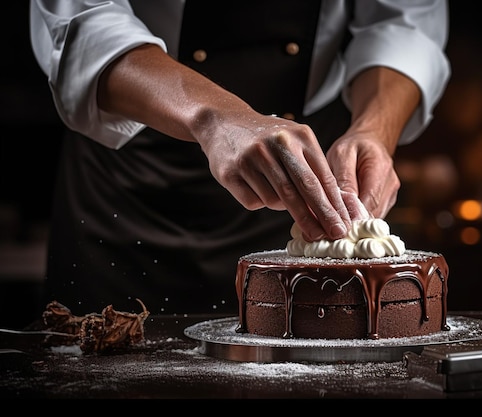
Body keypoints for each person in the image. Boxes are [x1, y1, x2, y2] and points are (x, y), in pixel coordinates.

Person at [29, 0, 450, 316]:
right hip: (130, 185)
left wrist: (374, 129)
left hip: (303, 181)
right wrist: (214, 118)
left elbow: (403, 21)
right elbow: (84, 22)